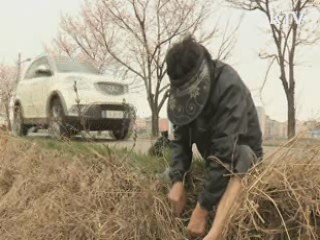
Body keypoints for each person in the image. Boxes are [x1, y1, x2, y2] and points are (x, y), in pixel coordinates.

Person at [165, 36, 263, 240]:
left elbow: (224, 153)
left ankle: (215, 233)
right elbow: (180, 140)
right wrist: (177, 179)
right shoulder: (183, 93)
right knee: (169, 176)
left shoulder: (228, 86)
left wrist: (202, 208)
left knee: (243, 153)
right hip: (213, 157)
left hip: (242, 161)